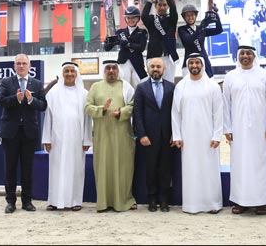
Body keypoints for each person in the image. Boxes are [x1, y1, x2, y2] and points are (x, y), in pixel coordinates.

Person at [223, 45, 266, 215]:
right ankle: (241, 201)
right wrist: (227, 128)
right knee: (240, 164)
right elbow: (226, 104)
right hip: (238, 130)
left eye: (249, 53)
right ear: (238, 56)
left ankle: (261, 202)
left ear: (254, 56)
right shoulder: (230, 77)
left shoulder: (265, 76)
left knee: (261, 163)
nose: (245, 56)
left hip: (261, 129)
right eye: (242, 53)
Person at [171, 53, 223, 214]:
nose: (194, 65)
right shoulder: (181, 86)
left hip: (208, 136)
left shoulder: (212, 86)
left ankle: (212, 204)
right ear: (188, 65)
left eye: (197, 63)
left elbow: (218, 113)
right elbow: (175, 113)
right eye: (191, 63)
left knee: (209, 169)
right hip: (188, 137)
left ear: (202, 65)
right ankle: (192, 205)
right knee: (191, 169)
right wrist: (177, 136)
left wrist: (217, 135)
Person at [0, 54, 47, 214]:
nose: (21, 66)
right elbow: (0, 101)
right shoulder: (6, 82)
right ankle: (10, 202)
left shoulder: (37, 84)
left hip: (29, 132)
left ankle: (27, 201)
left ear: (29, 66)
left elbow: (43, 106)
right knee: (9, 169)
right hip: (10, 132)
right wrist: (16, 99)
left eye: (24, 63)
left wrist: (31, 100)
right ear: (14, 66)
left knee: (28, 168)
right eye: (18, 63)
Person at [85, 60, 136, 212]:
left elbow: (133, 106)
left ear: (118, 70)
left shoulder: (126, 86)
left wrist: (121, 112)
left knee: (123, 168)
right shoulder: (96, 87)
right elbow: (87, 107)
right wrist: (102, 109)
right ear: (104, 71)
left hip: (122, 134)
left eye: (114, 68)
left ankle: (124, 201)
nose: (111, 71)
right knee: (103, 168)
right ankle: (103, 202)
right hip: (102, 136)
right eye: (108, 68)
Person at [42, 62, 92, 211]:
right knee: (56, 169)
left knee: (76, 169)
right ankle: (54, 201)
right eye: (66, 71)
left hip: (77, 139)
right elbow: (48, 117)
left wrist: (87, 139)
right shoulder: (53, 93)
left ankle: (76, 201)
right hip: (57, 138)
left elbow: (88, 119)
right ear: (62, 74)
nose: (69, 74)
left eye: (72, 71)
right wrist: (47, 139)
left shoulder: (84, 93)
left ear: (76, 74)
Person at [133, 58, 175, 212]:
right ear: (148, 68)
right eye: (152, 66)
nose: (155, 69)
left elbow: (175, 113)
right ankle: (152, 199)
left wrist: (175, 134)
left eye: (158, 66)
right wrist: (141, 134)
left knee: (165, 169)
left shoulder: (171, 88)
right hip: (148, 137)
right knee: (150, 169)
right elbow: (137, 113)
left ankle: (164, 200)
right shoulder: (141, 88)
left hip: (167, 136)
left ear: (163, 69)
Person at [141, 0, 179, 83]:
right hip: (153, 56)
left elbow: (174, 7)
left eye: (164, 5)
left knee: (169, 85)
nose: (162, 7)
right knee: (153, 85)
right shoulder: (152, 20)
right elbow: (143, 16)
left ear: (167, 7)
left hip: (169, 57)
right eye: (159, 5)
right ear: (156, 6)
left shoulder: (172, 20)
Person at [178, 0, 223, 78]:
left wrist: (216, 16)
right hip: (190, 62)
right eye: (187, 15)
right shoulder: (182, 29)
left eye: (192, 15)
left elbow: (219, 30)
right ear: (184, 17)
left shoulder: (200, 28)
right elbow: (189, 40)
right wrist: (202, 27)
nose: (190, 17)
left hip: (203, 61)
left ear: (195, 16)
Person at [104, 6, 148, 88]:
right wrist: (109, 39)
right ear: (125, 19)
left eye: (133, 18)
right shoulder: (119, 32)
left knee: (140, 87)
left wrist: (127, 44)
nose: (131, 20)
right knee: (123, 86)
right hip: (123, 62)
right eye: (128, 18)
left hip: (137, 63)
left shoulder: (142, 32)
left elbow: (141, 48)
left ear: (138, 18)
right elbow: (107, 48)